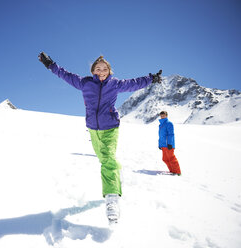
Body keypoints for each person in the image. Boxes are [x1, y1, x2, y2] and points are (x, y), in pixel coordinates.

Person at [39, 51, 162, 224]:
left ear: (109, 71)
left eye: (105, 68)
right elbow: (65, 75)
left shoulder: (115, 84)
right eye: (98, 68)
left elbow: (134, 83)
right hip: (93, 129)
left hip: (110, 127)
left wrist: (151, 78)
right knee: (104, 159)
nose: (102, 71)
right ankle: (116, 178)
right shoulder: (85, 83)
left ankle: (111, 200)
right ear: (93, 71)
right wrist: (51, 65)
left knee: (108, 161)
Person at [158, 111, 182, 175]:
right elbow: (161, 136)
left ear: (166, 116)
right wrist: (160, 145)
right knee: (165, 159)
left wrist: (170, 144)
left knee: (171, 158)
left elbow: (171, 134)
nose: (162, 116)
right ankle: (172, 170)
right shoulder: (161, 125)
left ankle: (177, 172)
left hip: (168, 145)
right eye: (161, 115)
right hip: (163, 145)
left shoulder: (169, 123)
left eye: (163, 115)